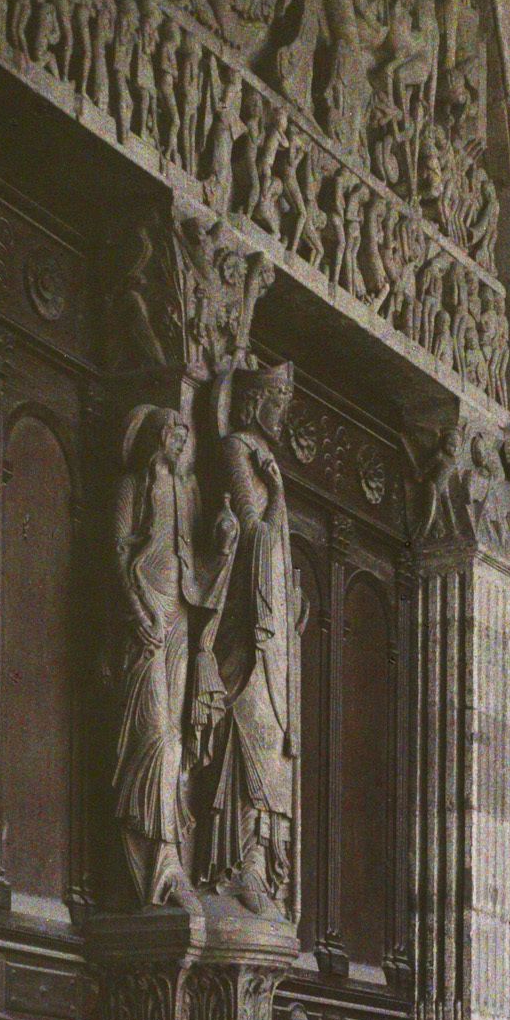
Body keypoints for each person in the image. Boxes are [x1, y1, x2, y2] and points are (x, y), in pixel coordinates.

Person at [113, 405, 234, 908]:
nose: (181, 441)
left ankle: (172, 869)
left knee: (180, 742)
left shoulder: (189, 489)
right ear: (157, 436)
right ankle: (154, 875)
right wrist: (137, 608)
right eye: (174, 433)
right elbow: (119, 552)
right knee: (154, 737)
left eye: (186, 434)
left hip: (182, 616)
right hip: (148, 619)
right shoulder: (135, 486)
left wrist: (225, 546)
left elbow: (195, 565)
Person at [199, 361, 300, 918]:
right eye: (276, 401)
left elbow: (275, 534)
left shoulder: (266, 460)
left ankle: (261, 860)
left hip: (276, 621)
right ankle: (240, 864)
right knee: (252, 722)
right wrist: (275, 496)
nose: (280, 413)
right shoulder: (237, 448)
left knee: (276, 738)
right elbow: (254, 530)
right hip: (247, 618)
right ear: (253, 400)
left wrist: (280, 489)